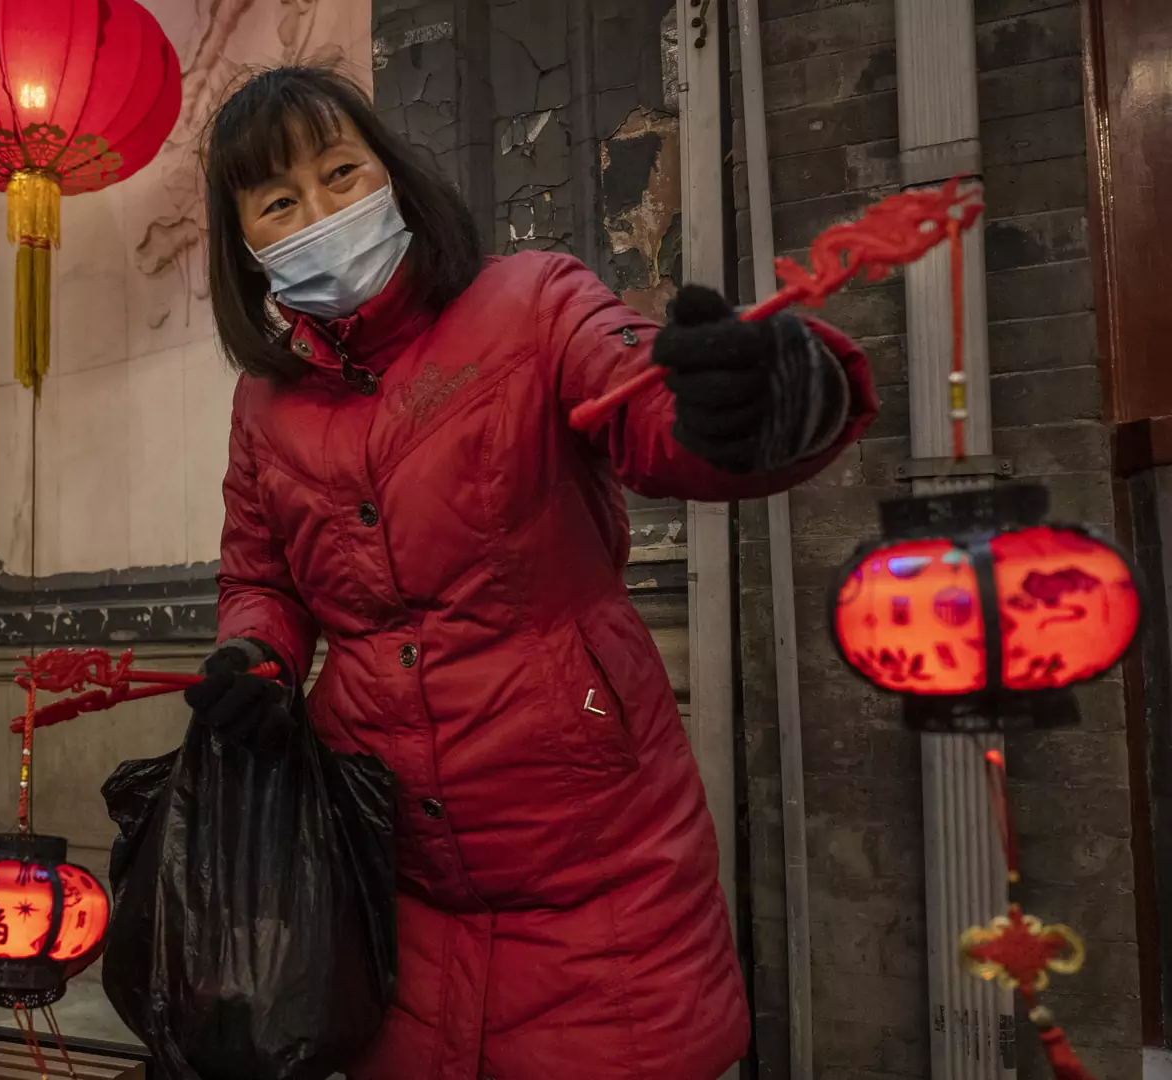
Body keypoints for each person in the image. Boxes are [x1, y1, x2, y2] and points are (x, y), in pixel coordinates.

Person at [184, 67, 877, 1080]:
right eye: (279, 203)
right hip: (385, 872)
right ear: (246, 245)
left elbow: (647, 411)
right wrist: (254, 655)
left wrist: (765, 393)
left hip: (600, 863)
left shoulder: (532, 301)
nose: (320, 214)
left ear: (392, 178)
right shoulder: (266, 404)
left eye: (340, 176)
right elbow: (262, 574)